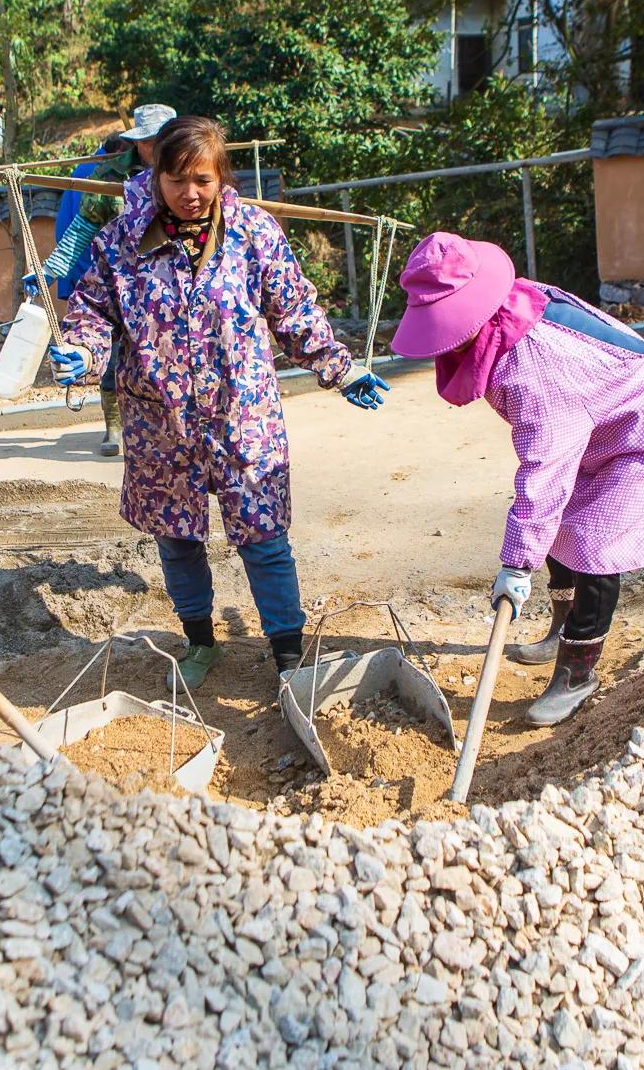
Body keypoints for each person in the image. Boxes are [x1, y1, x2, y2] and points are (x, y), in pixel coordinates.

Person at [50, 115, 390, 688]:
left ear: (220, 176)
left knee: (265, 539)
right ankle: (199, 643)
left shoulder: (252, 233)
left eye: (203, 180)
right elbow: (92, 316)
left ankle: (286, 655)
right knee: (178, 542)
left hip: (243, 417)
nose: (191, 194)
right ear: (156, 176)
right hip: (160, 424)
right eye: (178, 179)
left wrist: (339, 365)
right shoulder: (120, 245)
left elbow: (293, 312)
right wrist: (83, 355)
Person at [389, 231, 644, 727]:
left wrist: (516, 565)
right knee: (557, 524)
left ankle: (578, 671)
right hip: (597, 416)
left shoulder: (531, 370)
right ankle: (561, 624)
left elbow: (543, 471)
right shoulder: (505, 313)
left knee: (594, 540)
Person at [29, 103, 177, 456]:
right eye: (148, 141)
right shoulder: (112, 176)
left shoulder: (189, 168)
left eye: (162, 139)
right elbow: (82, 226)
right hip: (122, 276)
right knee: (112, 353)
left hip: (172, 278)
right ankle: (114, 425)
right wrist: (51, 268)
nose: (154, 147)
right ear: (136, 143)